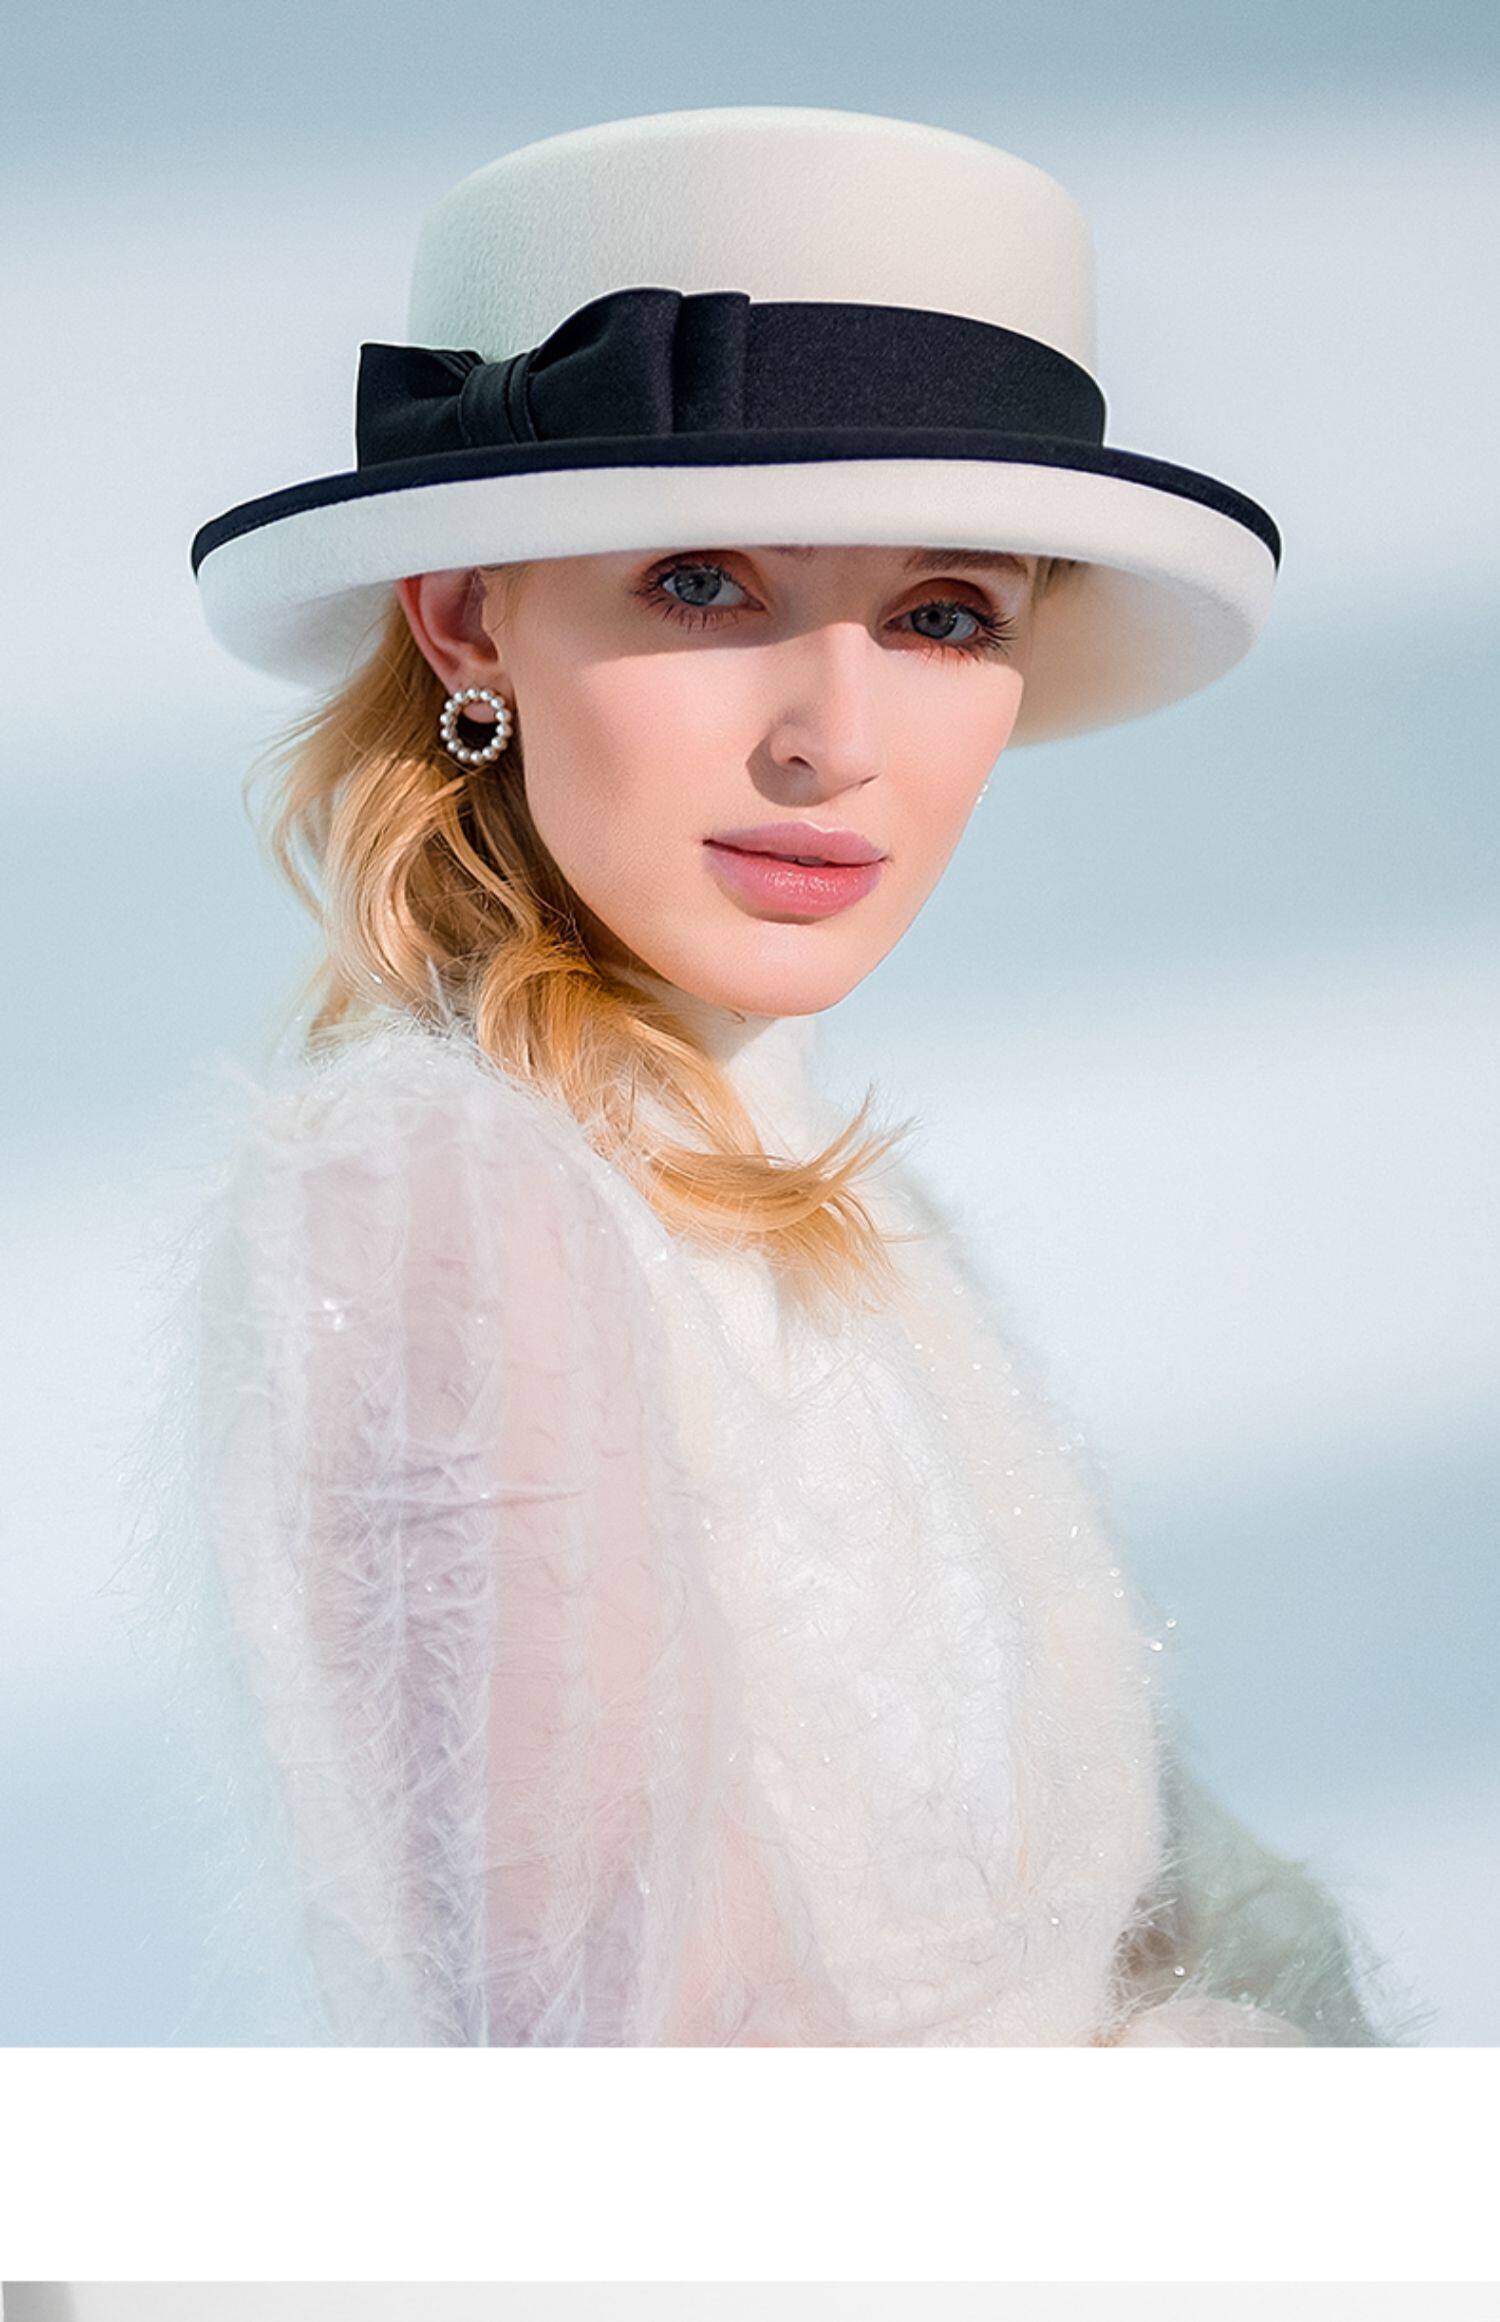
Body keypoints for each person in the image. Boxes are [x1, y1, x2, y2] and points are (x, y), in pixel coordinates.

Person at [183, 104, 1388, 2045]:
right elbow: (671, 2097)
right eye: (703, 582)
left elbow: (1154, 1913)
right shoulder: (445, 1206)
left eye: (941, 615)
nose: (834, 737)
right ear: (468, 614)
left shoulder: (845, 1204)